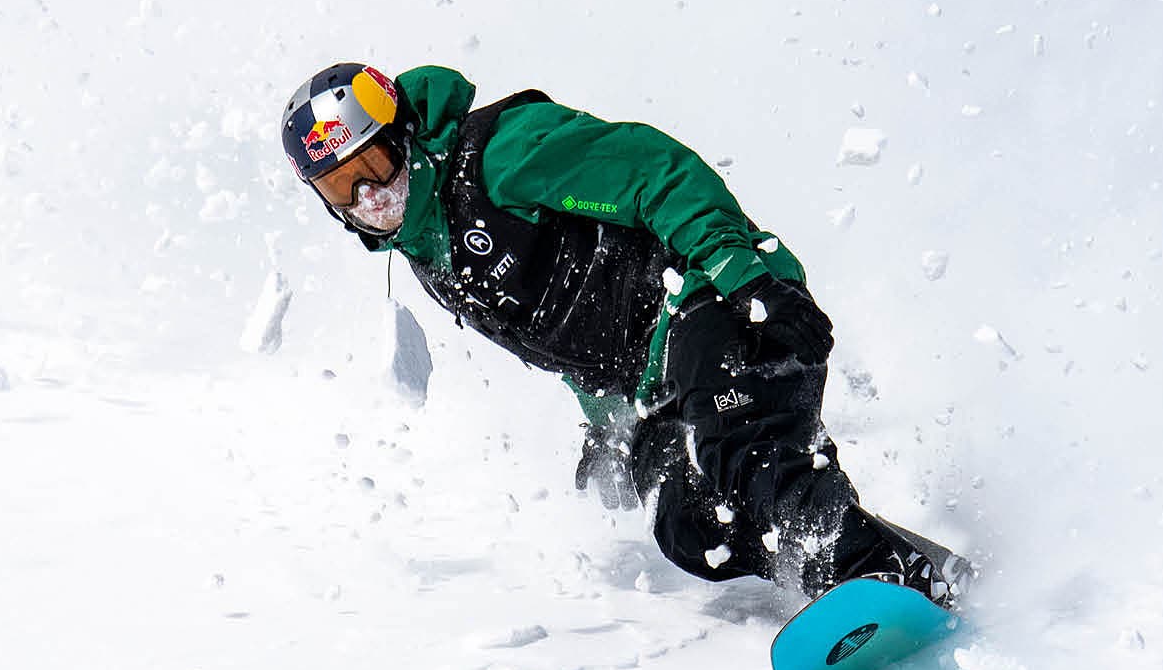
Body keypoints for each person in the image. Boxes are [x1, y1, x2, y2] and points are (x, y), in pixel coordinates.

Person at [281, 62, 971, 608]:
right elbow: (570, 344)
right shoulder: (434, 254)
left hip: (719, 296)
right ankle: (863, 561)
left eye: (372, 166)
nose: (369, 197)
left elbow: (651, 169)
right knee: (687, 526)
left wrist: (735, 266)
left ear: (404, 135)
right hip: (661, 380)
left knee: (740, 454)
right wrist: (609, 427)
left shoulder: (498, 156)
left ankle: (882, 575)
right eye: (342, 187)